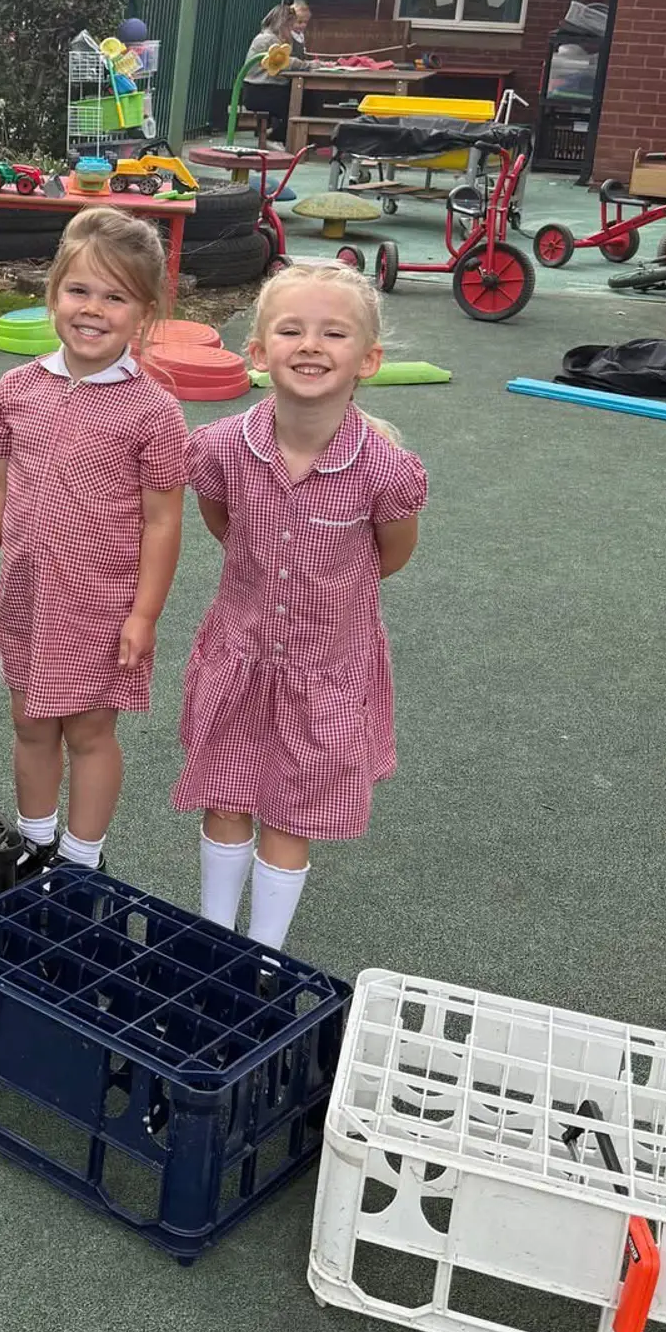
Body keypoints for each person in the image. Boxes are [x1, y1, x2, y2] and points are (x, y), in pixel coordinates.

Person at [173, 260, 424, 951]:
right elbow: (223, 524)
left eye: (334, 333)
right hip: (241, 658)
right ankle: (213, 941)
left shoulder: (384, 468)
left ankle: (263, 955)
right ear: (257, 352)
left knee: (290, 813)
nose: (311, 345)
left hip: (326, 672)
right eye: (290, 330)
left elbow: (391, 555)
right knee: (227, 799)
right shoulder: (224, 446)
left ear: (367, 359)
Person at [0, 209, 190, 876]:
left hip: (100, 607)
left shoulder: (153, 411)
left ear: (144, 312)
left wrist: (144, 615)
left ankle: (82, 859)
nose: (93, 309)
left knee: (87, 731)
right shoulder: (18, 388)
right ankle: (36, 840)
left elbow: (163, 521)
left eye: (115, 297)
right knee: (30, 722)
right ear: (53, 294)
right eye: (79, 290)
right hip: (29, 595)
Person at [237, 0, 311, 142]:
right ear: (282, 24)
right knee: (300, 101)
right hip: (260, 91)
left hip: (263, 88)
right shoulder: (269, 39)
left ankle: (281, 136)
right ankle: (281, 137)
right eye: (290, 26)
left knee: (302, 98)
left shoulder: (270, 37)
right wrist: (309, 65)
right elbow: (285, 61)